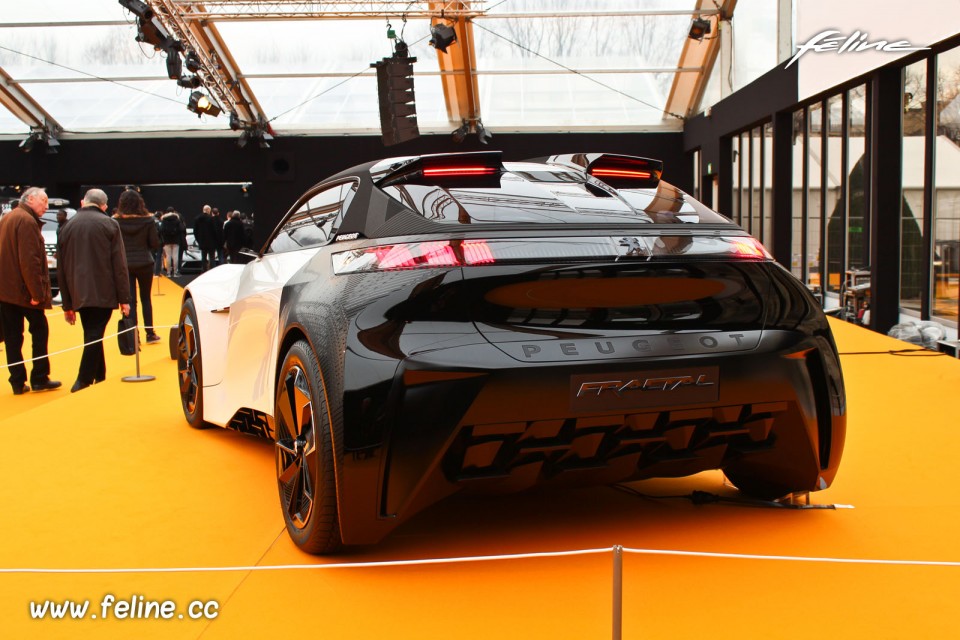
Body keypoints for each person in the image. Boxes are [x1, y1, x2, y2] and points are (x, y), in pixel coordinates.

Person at [58, 188, 131, 393]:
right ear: (104, 205)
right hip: (104, 291)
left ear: (83, 202)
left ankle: (100, 377)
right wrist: (124, 298)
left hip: (77, 292)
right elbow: (119, 264)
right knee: (94, 333)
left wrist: (67, 303)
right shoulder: (109, 224)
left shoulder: (66, 226)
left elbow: (61, 269)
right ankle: (83, 379)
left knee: (92, 332)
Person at [0, 187, 62, 395]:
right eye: (43, 201)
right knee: (39, 332)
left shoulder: (9, 217)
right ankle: (39, 377)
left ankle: (17, 382)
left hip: (7, 290)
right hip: (24, 293)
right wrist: (37, 293)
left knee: (12, 337)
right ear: (31, 199)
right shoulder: (26, 221)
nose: (46, 205)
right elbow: (30, 261)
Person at [115, 190, 162, 345]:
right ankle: (150, 333)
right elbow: (154, 243)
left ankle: (133, 336)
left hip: (125, 264)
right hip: (144, 262)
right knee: (146, 298)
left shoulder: (116, 221)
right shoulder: (148, 220)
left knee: (130, 300)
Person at [192, 204, 218, 272]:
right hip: (211, 242)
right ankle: (212, 271)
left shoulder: (197, 219)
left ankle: (204, 270)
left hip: (202, 241)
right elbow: (215, 231)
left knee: (203, 257)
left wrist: (198, 240)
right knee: (212, 257)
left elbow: (195, 231)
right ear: (209, 211)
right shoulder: (212, 219)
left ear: (203, 210)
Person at [159, 207, 183, 277]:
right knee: (175, 256)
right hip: (176, 240)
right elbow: (181, 229)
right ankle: (175, 273)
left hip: (167, 240)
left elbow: (161, 230)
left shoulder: (164, 220)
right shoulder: (177, 219)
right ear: (173, 212)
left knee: (168, 256)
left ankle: (168, 273)